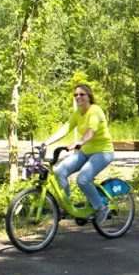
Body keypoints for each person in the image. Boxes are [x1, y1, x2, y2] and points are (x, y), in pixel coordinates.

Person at [43, 84, 114, 224]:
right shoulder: (77, 114)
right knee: (60, 171)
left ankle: (101, 207)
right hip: (86, 152)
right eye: (75, 94)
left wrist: (80, 142)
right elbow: (65, 129)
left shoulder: (95, 110)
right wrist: (45, 143)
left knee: (82, 179)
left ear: (89, 96)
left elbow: (91, 130)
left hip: (103, 152)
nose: (78, 97)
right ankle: (67, 206)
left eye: (81, 94)